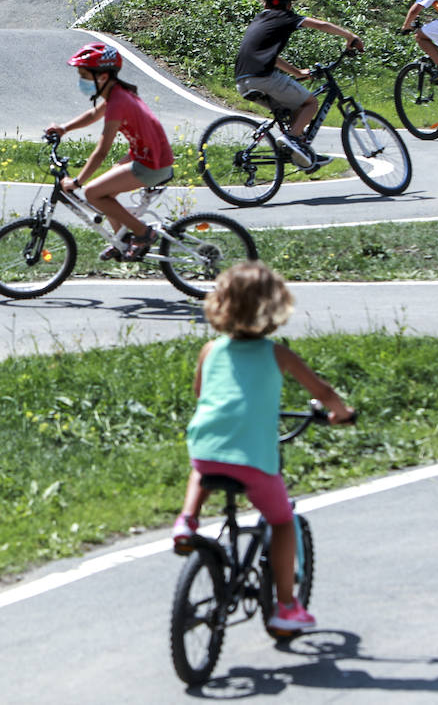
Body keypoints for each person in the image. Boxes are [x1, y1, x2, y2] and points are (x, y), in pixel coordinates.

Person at [171, 261, 354, 633]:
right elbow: (322, 392)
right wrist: (342, 414)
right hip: (253, 458)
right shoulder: (278, 355)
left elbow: (201, 394)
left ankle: (187, 521)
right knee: (283, 521)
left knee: (202, 468)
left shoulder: (210, 350)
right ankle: (285, 607)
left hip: (206, 445)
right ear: (275, 308)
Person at [45, 42, 175, 261]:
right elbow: (93, 114)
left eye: (85, 75)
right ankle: (122, 241)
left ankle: (143, 233)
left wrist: (77, 182)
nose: (82, 81)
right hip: (146, 155)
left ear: (103, 76)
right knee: (106, 193)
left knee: (92, 193)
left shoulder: (119, 101)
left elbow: (102, 150)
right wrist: (64, 129)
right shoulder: (117, 93)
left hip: (152, 163)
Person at [233, 0, 364, 172]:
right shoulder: (285, 18)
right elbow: (320, 25)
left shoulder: (260, 20)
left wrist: (297, 73)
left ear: (266, 1)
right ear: (287, 2)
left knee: (296, 110)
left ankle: (302, 152)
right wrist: (350, 36)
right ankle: (292, 138)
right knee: (311, 103)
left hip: (243, 82)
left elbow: (272, 57)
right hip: (264, 77)